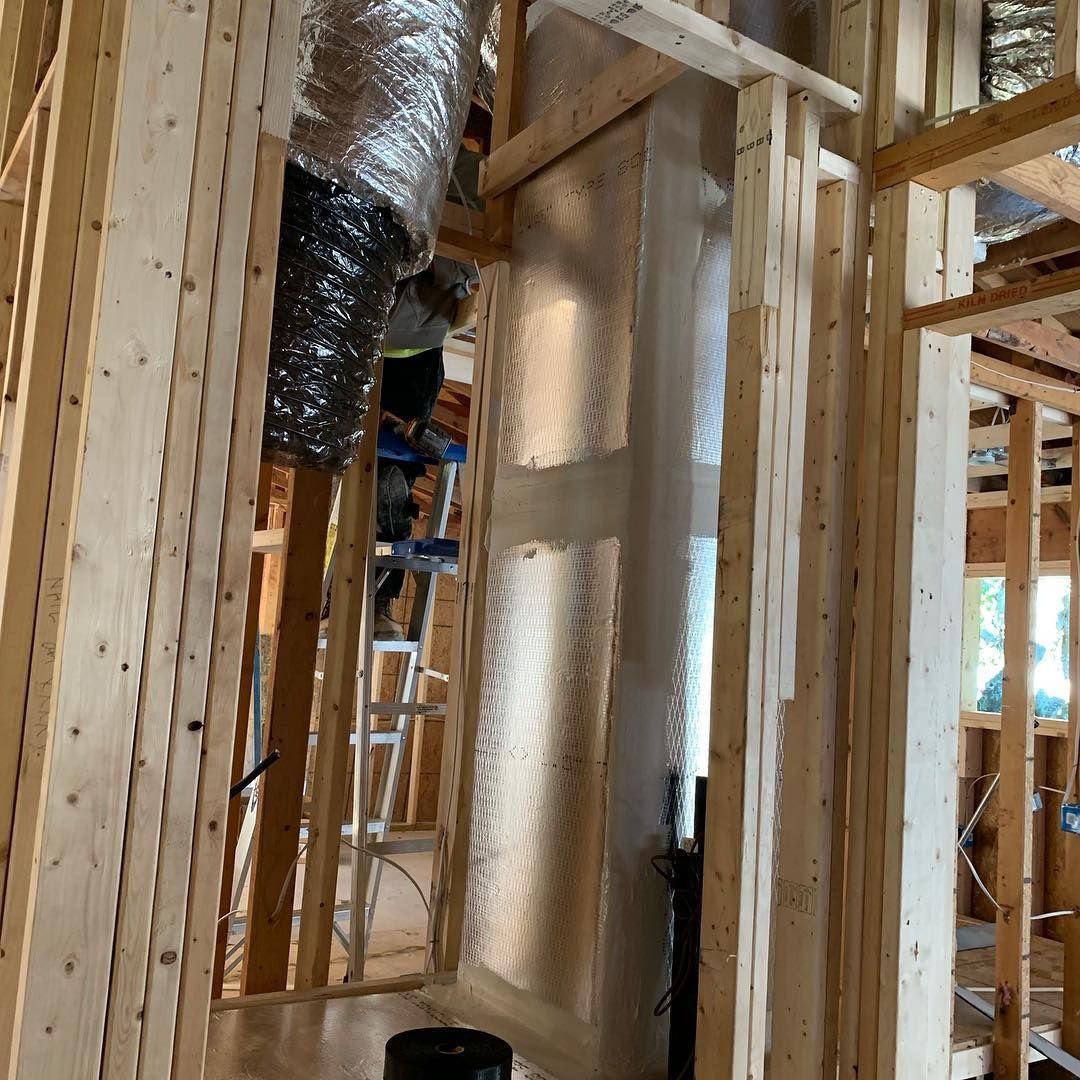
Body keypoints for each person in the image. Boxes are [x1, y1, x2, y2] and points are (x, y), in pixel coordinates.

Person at [374, 255, 477, 640]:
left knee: (391, 483)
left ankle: (377, 603)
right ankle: (361, 599)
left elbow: (467, 273)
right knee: (371, 483)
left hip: (414, 356)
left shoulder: (438, 264)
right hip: (378, 345)